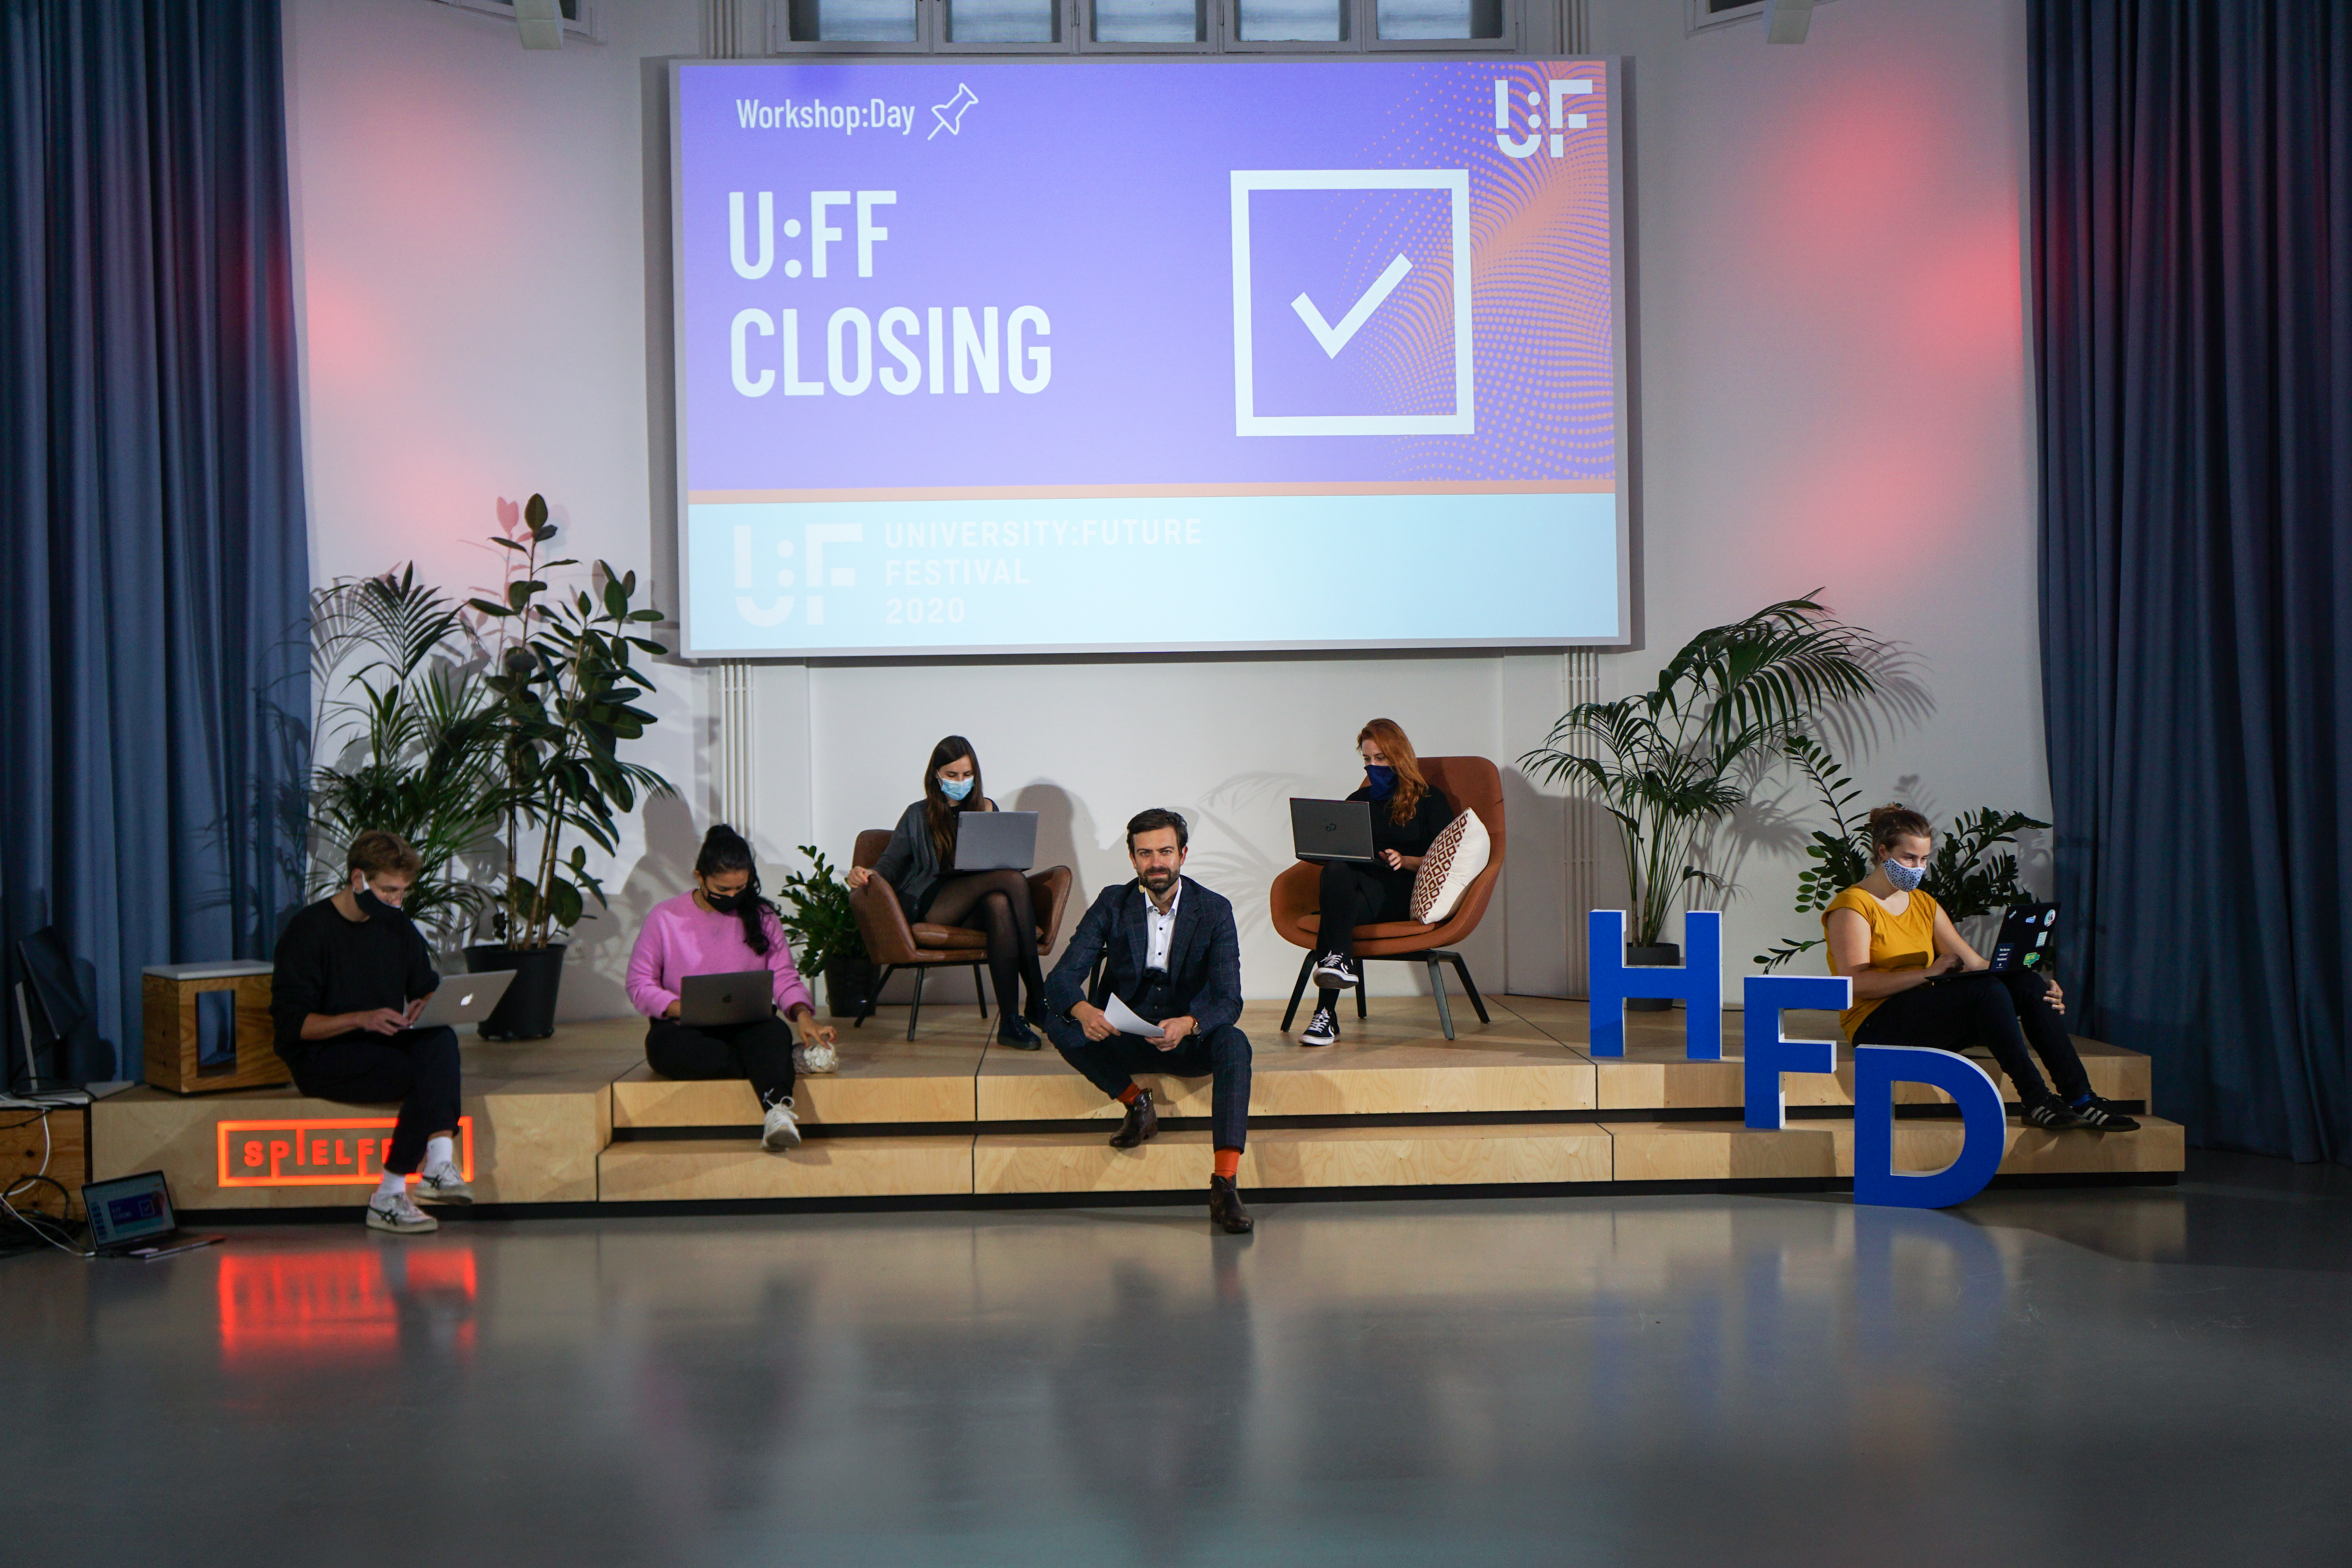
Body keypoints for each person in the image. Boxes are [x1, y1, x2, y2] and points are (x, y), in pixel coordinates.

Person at [1824, 805, 2139, 1131]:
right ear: (1883, 851)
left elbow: (1974, 964)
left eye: (1924, 859)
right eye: (1909, 858)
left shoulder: (1923, 903)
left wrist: (2036, 982)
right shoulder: (1853, 906)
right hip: (1875, 1025)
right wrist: (1926, 973)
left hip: (1923, 1015)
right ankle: (2035, 1098)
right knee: (1985, 991)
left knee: (2028, 985)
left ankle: (2081, 1098)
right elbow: (1855, 984)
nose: (1918, 868)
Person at [1044, 808, 1255, 1234]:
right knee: (1059, 1020)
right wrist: (1085, 1011)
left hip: (1186, 1038)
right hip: (1126, 1033)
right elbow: (1061, 978)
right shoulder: (1112, 903)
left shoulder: (1214, 909)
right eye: (1145, 853)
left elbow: (1230, 1000)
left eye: (1165, 851)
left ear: (1183, 854)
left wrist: (1191, 1022)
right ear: (1132, 858)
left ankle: (1225, 1183)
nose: (1156, 862)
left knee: (1235, 1043)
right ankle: (1137, 1104)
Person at [269, 830, 470, 1236]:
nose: (397, 901)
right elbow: (292, 1025)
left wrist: (426, 1002)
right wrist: (360, 1018)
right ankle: (395, 1190)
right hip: (322, 1057)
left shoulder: (395, 925)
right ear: (358, 879)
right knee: (427, 1075)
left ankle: (434, 1166)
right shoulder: (308, 930)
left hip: (378, 1044)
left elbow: (424, 983)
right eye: (388, 891)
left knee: (441, 1040)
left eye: (402, 893)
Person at [628, 824, 839, 1154]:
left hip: (748, 1024)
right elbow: (640, 983)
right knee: (666, 1051)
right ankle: (779, 1063)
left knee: (772, 1034)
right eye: (722, 890)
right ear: (700, 877)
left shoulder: (763, 916)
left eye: (740, 889)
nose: (732, 897)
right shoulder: (665, 917)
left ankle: (778, 1113)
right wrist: (681, 1008)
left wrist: (802, 1016)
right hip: (685, 1027)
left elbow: (783, 974)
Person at [846, 734, 1048, 1049]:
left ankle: (1010, 1021)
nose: (960, 781)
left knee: (998, 901)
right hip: (935, 902)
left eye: (967, 775)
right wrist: (865, 873)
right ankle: (1038, 998)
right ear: (936, 775)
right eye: (952, 775)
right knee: (1011, 880)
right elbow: (889, 865)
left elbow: (996, 861)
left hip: (977, 903)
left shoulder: (987, 808)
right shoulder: (917, 814)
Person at [1296, 719, 1457, 1048]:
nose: (1373, 767)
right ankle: (1337, 966)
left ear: (1399, 757)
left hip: (1400, 894)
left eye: (1381, 759)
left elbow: (1449, 859)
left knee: (1334, 914)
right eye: (1368, 760)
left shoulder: (1430, 799)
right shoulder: (1359, 799)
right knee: (1337, 869)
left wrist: (1406, 860)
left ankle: (1326, 1012)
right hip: (1358, 892)